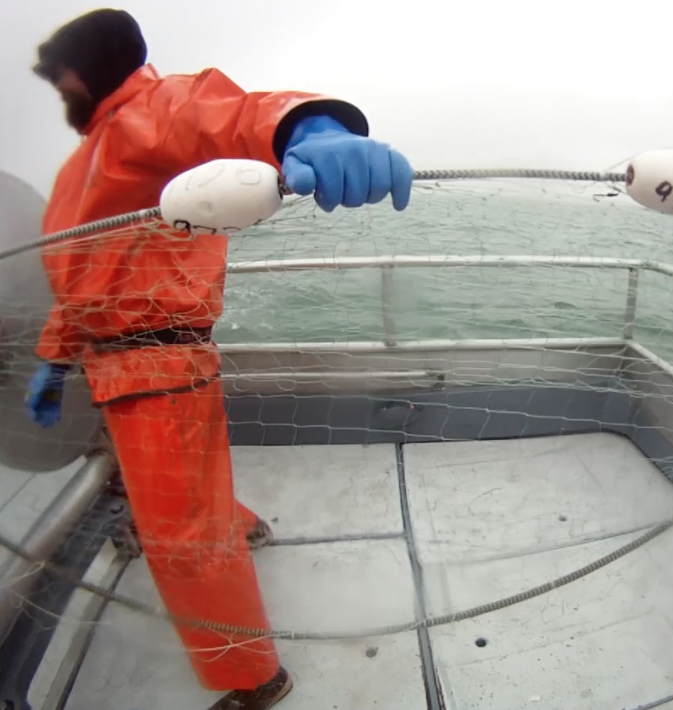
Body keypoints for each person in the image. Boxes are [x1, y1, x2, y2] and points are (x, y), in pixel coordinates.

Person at [24, 9, 413, 710]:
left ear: (90, 68)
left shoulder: (154, 109)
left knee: (181, 536)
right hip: (113, 368)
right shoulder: (76, 168)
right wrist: (56, 359)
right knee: (180, 501)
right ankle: (242, 525)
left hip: (158, 363)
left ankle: (252, 678)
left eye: (63, 80)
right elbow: (81, 275)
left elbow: (233, 115)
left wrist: (310, 127)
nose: (61, 94)